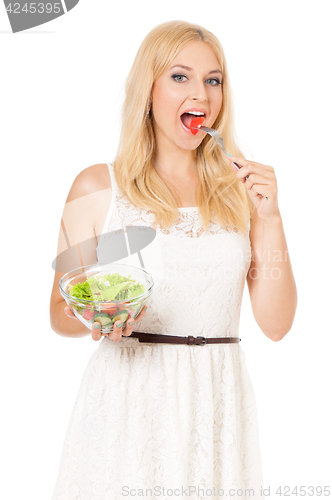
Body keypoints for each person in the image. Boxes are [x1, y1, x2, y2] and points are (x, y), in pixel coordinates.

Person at [50, 20, 297, 500]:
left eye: (213, 79)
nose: (201, 94)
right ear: (149, 90)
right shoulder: (94, 185)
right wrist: (100, 317)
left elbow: (277, 323)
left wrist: (271, 217)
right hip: (129, 400)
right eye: (180, 77)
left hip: (218, 402)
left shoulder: (240, 191)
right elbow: (59, 314)